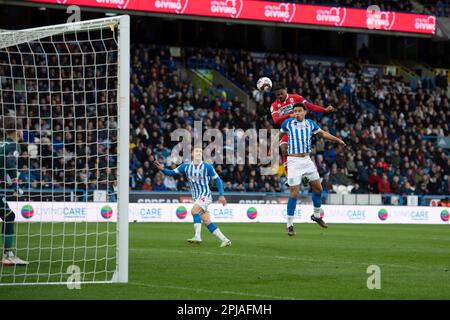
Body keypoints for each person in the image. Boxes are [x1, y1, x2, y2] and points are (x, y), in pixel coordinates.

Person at [272, 103, 346, 236]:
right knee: (294, 193)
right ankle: (289, 224)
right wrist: (272, 145)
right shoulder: (288, 123)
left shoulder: (310, 124)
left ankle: (316, 215)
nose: (297, 113)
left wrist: (337, 140)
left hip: (307, 160)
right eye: (295, 111)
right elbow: (280, 134)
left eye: (300, 111)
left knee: (318, 189)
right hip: (293, 161)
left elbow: (322, 134)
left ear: (305, 112)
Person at [153, 147, 231, 247]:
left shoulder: (207, 166)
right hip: (196, 197)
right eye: (196, 151)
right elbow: (171, 173)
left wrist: (221, 195)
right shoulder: (185, 167)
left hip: (205, 195)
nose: (198, 153)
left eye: (200, 151)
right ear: (192, 154)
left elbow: (218, 179)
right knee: (207, 221)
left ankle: (197, 237)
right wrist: (162, 169)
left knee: (194, 211)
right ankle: (225, 240)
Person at [270, 84, 335, 187]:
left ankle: (305, 175)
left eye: (282, 93)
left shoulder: (296, 98)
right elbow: (276, 120)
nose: (280, 96)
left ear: (286, 90)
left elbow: (310, 106)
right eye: (278, 95)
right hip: (286, 130)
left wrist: (324, 110)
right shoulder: (274, 105)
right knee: (283, 149)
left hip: (300, 129)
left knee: (302, 153)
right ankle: (289, 177)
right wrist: (289, 115)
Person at [1, 116, 28, 265]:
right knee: (9, 216)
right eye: (22, 129)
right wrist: (15, 185)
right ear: (17, 131)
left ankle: (8, 254)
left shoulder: (2, 144)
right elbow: (10, 163)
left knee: (8, 215)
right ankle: (8, 255)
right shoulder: (13, 146)